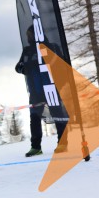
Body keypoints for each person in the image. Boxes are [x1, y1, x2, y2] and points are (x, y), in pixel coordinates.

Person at [15, 26, 68, 157]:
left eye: (31, 34)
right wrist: (24, 68)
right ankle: (35, 147)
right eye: (28, 35)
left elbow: (61, 64)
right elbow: (18, 67)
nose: (29, 37)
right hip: (35, 91)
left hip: (51, 88)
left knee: (58, 115)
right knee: (34, 118)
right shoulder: (27, 51)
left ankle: (63, 143)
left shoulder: (52, 47)